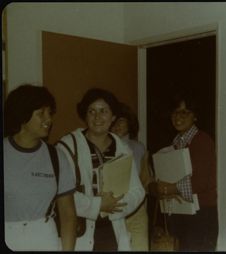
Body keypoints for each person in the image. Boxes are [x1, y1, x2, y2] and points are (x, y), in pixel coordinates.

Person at [57, 88, 145, 251]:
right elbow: (61, 195)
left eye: (103, 111)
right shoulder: (68, 146)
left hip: (113, 231)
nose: (97, 117)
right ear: (85, 115)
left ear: (113, 117)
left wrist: (113, 206)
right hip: (79, 232)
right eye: (91, 111)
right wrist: (98, 205)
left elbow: (138, 191)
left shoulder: (122, 149)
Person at [4, 84, 77, 251]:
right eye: (41, 113)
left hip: (44, 237)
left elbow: (68, 215)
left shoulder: (56, 156)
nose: (49, 119)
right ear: (22, 116)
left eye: (50, 113)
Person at [150, 90, 218, 251]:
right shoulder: (176, 143)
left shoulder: (202, 140)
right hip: (183, 214)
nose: (178, 116)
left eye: (184, 112)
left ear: (195, 116)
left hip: (201, 215)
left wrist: (169, 188)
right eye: (174, 112)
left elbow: (201, 182)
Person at [111, 102, 152, 251]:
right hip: (115, 207)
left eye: (121, 121)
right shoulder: (107, 146)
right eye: (114, 122)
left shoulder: (138, 147)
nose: (117, 125)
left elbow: (145, 179)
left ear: (130, 123)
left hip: (137, 209)